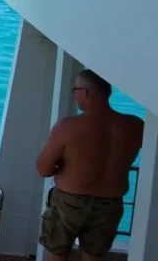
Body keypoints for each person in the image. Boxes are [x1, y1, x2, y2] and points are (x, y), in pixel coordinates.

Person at [36, 69, 144, 261]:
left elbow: (43, 169)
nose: (74, 94)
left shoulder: (67, 126)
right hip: (110, 203)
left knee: (57, 255)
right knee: (93, 257)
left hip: (69, 203)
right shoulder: (136, 126)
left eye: (75, 89)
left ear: (85, 92)